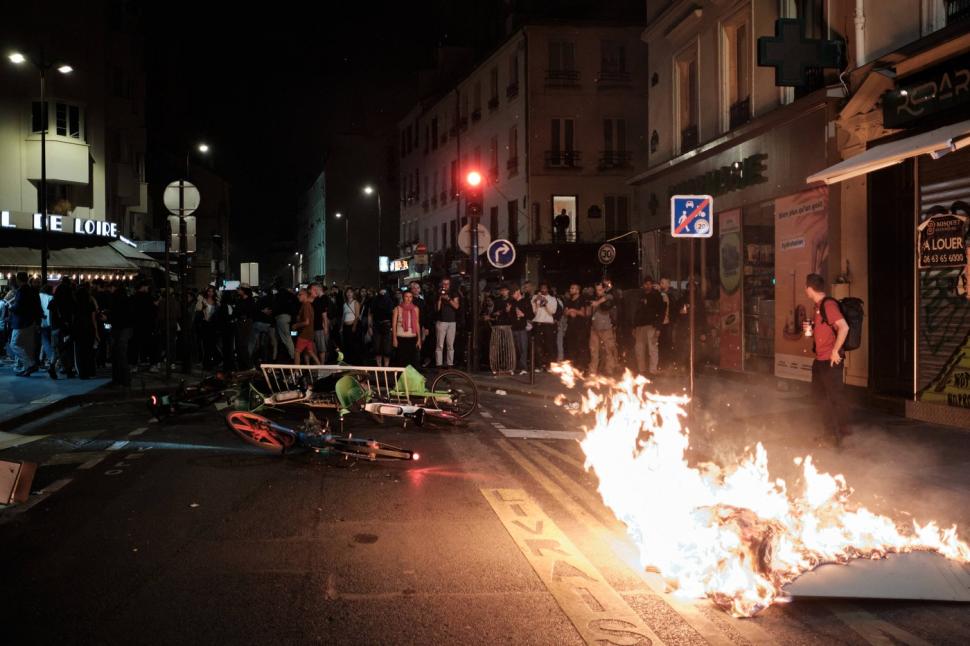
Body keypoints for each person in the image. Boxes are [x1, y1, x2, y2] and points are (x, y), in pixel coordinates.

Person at [805, 273, 851, 446]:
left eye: (806, 287)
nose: (805, 290)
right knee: (821, 397)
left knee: (832, 397)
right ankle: (832, 432)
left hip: (830, 361)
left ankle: (836, 435)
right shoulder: (818, 306)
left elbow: (844, 328)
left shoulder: (828, 305)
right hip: (820, 360)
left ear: (809, 288)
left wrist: (835, 351)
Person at [9, 272, 42, 376]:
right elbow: (36, 306)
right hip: (30, 322)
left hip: (21, 322)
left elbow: (19, 307)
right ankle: (24, 368)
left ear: (18, 280)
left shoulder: (21, 291)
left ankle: (30, 364)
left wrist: (11, 307)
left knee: (14, 344)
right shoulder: (32, 290)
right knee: (27, 347)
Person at [634, 276, 665, 375]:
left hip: (652, 325)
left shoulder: (657, 296)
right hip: (640, 326)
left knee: (652, 349)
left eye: (649, 283)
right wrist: (634, 326)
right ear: (643, 285)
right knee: (639, 349)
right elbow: (636, 312)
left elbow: (661, 312)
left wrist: (658, 327)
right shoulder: (640, 296)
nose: (647, 285)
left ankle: (653, 370)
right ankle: (641, 370)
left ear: (652, 284)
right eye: (645, 284)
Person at [588, 282, 618, 376]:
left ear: (604, 289)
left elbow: (609, 297)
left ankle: (610, 370)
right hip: (594, 329)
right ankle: (592, 371)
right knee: (594, 351)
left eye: (600, 289)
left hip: (606, 329)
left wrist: (597, 303)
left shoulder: (608, 298)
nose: (598, 292)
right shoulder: (594, 298)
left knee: (609, 350)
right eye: (597, 290)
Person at [108, 281, 134, 387]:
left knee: (118, 354)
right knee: (121, 355)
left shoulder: (115, 298)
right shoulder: (127, 298)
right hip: (126, 328)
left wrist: (108, 318)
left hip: (119, 328)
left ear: (114, 287)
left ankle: (120, 380)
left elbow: (115, 313)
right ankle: (125, 379)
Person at [50, 277, 76, 378]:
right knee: (66, 349)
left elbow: (51, 315)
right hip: (65, 327)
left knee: (58, 349)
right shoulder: (68, 301)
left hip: (55, 328)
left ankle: (53, 367)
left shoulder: (53, 302)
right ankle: (67, 369)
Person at [73, 283, 99, 379]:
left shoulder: (75, 304)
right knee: (89, 351)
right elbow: (93, 319)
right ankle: (90, 371)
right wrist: (96, 332)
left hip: (78, 329)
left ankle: (82, 372)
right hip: (89, 328)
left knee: (80, 352)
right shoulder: (90, 303)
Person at [530, 283, 558, 371]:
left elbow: (552, 312)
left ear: (548, 289)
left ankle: (549, 366)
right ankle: (539, 365)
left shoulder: (552, 299)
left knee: (549, 346)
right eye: (541, 288)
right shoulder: (535, 297)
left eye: (545, 288)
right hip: (538, 324)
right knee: (538, 346)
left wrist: (545, 303)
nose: (543, 290)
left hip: (548, 324)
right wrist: (535, 302)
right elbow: (534, 312)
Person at [488, 284, 516, 374]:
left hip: (507, 326)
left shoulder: (511, 301)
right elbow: (493, 313)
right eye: (502, 290)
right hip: (498, 325)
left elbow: (513, 314)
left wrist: (508, 311)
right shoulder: (498, 301)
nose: (503, 292)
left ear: (508, 291)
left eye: (505, 290)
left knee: (507, 346)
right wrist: (495, 314)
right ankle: (498, 366)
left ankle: (508, 366)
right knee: (499, 346)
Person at [392, 289, 421, 368]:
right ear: (403, 297)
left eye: (410, 297)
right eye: (406, 296)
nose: (408, 299)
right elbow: (394, 324)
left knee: (413, 362)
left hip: (412, 338)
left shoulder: (416, 308)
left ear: (412, 298)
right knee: (401, 361)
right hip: (401, 338)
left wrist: (419, 339)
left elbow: (417, 323)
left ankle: (411, 380)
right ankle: (401, 380)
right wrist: (394, 338)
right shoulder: (397, 308)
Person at [435, 277, 460, 368]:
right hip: (441, 321)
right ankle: (439, 365)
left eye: (447, 284)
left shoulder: (454, 293)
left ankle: (450, 364)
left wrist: (448, 299)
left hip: (452, 322)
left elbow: (456, 306)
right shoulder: (438, 293)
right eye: (444, 284)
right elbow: (437, 309)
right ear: (441, 284)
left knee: (450, 344)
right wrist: (440, 299)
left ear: (450, 284)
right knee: (440, 344)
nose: (445, 286)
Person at [563, 283, 589, 370]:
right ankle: (574, 366)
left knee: (581, 347)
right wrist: (569, 311)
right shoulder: (569, 300)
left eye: (573, 288)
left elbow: (583, 313)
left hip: (580, 327)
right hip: (571, 327)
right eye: (571, 288)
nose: (571, 290)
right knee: (571, 346)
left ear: (578, 290)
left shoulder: (582, 300)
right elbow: (565, 313)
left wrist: (573, 310)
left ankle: (582, 366)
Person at [293, 288, 320, 365]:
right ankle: (322, 368)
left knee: (297, 352)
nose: (298, 296)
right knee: (310, 352)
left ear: (305, 295)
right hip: (309, 333)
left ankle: (296, 372)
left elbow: (307, 322)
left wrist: (296, 325)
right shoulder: (307, 305)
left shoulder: (306, 305)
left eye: (300, 294)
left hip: (304, 334)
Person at [370, 288, 395, 367]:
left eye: (385, 293)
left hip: (387, 325)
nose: (383, 295)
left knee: (387, 348)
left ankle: (386, 366)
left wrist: (392, 327)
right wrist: (370, 326)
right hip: (376, 325)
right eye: (381, 293)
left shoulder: (390, 302)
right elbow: (371, 314)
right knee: (377, 347)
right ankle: (379, 366)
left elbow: (393, 314)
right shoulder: (374, 301)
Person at [510, 286, 532, 375]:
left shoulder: (526, 301)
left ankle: (523, 367)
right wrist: (509, 311)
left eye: (513, 293)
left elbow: (531, 314)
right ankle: (514, 367)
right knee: (515, 348)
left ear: (518, 291)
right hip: (514, 327)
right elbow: (511, 315)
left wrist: (523, 314)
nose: (513, 296)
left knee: (523, 348)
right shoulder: (513, 302)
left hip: (522, 328)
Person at [272, 285, 298, 362]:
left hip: (282, 319)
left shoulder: (278, 297)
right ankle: (294, 354)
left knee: (286, 338)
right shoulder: (291, 296)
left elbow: (275, 308)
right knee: (293, 336)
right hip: (292, 320)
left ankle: (292, 356)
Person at [309, 283, 330, 363]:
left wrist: (325, 327)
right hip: (315, 327)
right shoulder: (316, 300)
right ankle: (319, 364)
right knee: (316, 347)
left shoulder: (321, 299)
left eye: (314, 289)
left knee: (321, 348)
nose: (312, 291)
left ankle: (322, 365)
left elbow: (324, 314)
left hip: (319, 327)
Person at [341, 287, 361, 363]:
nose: (349, 294)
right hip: (346, 326)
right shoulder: (345, 304)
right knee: (346, 344)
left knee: (354, 344)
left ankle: (355, 361)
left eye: (350, 292)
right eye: (347, 292)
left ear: (353, 294)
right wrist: (341, 327)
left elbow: (357, 316)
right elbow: (343, 316)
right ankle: (348, 361)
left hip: (353, 325)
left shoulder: (356, 302)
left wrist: (354, 326)